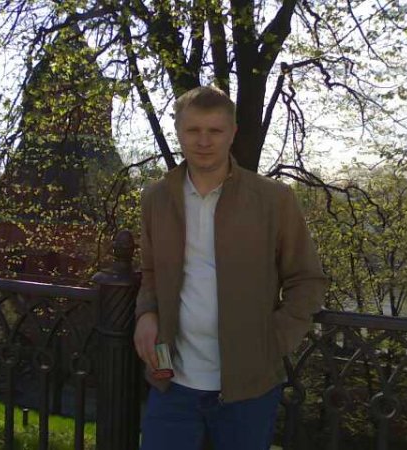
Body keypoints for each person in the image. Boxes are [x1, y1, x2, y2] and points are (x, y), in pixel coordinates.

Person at [134, 85, 328, 450]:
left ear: (233, 132)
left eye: (215, 130)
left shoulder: (273, 199)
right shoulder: (156, 198)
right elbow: (151, 273)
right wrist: (146, 313)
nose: (204, 141)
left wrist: (274, 342)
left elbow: (307, 279)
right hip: (169, 380)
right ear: (178, 131)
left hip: (248, 388)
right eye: (193, 130)